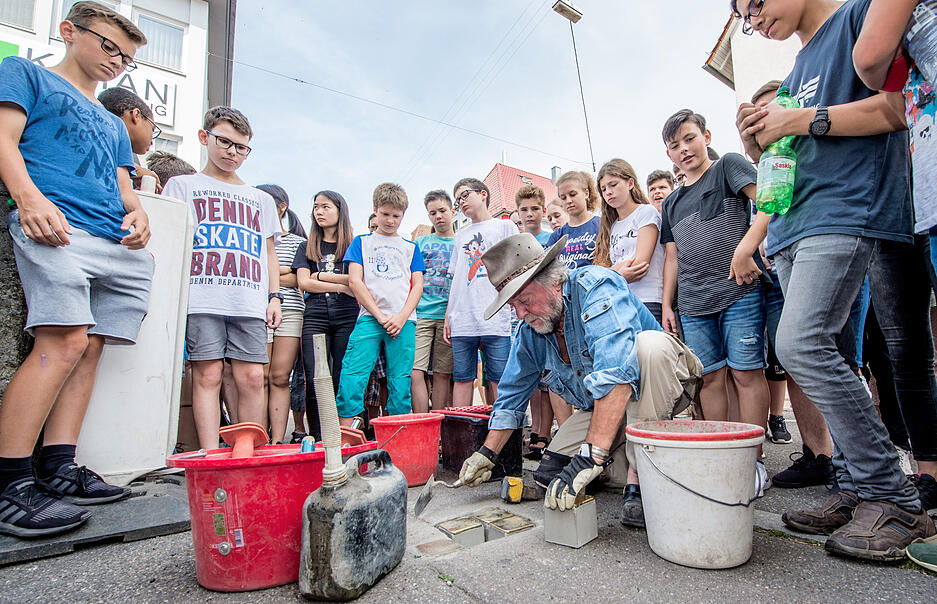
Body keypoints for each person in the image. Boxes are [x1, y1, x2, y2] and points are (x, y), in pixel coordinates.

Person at [732, 0, 935, 560]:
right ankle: (852, 486)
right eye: (744, 16)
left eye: (754, 5)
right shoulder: (797, 67)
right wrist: (763, 145)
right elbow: (797, 150)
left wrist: (796, 120)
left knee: (799, 343)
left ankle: (894, 495)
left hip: (846, 210)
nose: (753, 20)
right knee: (836, 356)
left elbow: (897, 108)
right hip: (796, 220)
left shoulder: (859, 18)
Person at [0, 1, 153, 538]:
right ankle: (9, 479)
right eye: (109, 46)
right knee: (61, 340)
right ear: (69, 31)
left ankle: (58, 464)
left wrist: (136, 215)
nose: (116, 61)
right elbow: (4, 138)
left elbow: (126, 187)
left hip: (113, 239)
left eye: (126, 58)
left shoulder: (114, 122)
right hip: (58, 227)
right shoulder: (25, 75)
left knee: (91, 347)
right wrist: (27, 198)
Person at [457, 234, 702, 528]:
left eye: (523, 300)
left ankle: (639, 481)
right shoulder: (531, 330)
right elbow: (511, 395)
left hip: (662, 387)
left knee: (650, 347)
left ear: (553, 281)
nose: (520, 313)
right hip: (610, 408)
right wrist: (487, 454)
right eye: (513, 306)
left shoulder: (597, 285)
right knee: (550, 473)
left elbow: (615, 374)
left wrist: (591, 455)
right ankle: (628, 462)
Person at [851, 0, 937, 512]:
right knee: (906, 352)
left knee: (908, 353)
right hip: (900, 199)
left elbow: (869, 59)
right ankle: (927, 473)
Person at [659, 109, 770, 491]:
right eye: (674, 146)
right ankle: (722, 454)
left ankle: (753, 459)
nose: (684, 149)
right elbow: (672, 257)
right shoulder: (670, 203)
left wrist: (745, 251)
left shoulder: (729, 167)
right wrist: (667, 305)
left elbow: (767, 201)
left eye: (689, 139)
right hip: (692, 301)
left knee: (746, 373)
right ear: (669, 155)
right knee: (711, 379)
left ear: (705, 136)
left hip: (738, 290)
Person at [162, 106, 282, 450]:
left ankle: (246, 453)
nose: (233, 152)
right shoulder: (182, 186)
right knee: (208, 374)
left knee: (253, 376)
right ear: (205, 137)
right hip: (201, 296)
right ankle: (211, 452)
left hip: (248, 298)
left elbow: (268, 251)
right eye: (225, 142)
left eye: (241, 147)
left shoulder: (261, 199)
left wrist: (275, 296)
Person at [336, 183, 425, 423]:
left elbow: (417, 285)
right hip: (369, 318)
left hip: (403, 322)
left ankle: (397, 434)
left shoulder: (410, 247)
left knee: (400, 379)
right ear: (376, 210)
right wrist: (378, 314)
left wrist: (401, 316)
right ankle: (348, 433)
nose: (390, 220)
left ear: (403, 215)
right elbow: (355, 281)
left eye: (396, 216)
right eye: (385, 214)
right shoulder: (361, 242)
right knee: (353, 374)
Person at [445, 178, 518, 406]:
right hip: (463, 317)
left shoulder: (504, 226)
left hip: (495, 314)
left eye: (465, 195)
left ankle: (503, 434)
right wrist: (449, 315)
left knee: (498, 378)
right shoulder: (461, 236)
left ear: (483, 194)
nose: (461, 202)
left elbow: (519, 266)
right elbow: (456, 279)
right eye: (458, 200)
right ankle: (461, 436)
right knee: (463, 378)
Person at [292, 190, 356, 440]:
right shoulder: (306, 245)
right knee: (316, 374)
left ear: (340, 210)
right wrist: (340, 285)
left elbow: (357, 281)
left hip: (346, 314)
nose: (319, 211)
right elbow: (304, 283)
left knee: (342, 373)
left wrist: (320, 276)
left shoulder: (353, 244)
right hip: (315, 313)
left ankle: (341, 433)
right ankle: (318, 435)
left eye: (325, 206)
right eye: (316, 207)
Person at [254, 184, 304, 445]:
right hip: (255, 309)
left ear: (281, 206)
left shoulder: (299, 242)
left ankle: (276, 440)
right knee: (258, 377)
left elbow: (300, 278)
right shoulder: (251, 237)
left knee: (280, 377)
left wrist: (277, 273)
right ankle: (258, 438)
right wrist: (282, 271)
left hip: (291, 310)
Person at [595, 159, 666, 324]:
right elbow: (619, 266)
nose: (608, 192)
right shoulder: (612, 226)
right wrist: (618, 274)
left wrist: (608, 276)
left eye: (613, 185)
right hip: (621, 300)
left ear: (630, 183)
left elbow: (640, 265)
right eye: (604, 189)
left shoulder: (646, 212)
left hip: (648, 299)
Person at [412, 190, 456, 412]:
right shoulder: (420, 243)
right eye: (432, 213)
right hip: (421, 314)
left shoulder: (461, 242)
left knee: (442, 373)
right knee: (415, 370)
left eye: (442, 211)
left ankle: (438, 427)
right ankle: (422, 421)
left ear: (452, 211)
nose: (438, 216)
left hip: (447, 317)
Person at [97, 87, 161, 191]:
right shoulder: (94, 134)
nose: (152, 142)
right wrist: (134, 170)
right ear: (136, 115)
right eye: (152, 129)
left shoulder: (131, 158)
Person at [547, 171, 599, 268]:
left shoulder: (601, 225)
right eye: (563, 197)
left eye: (573, 194)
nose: (568, 201)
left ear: (586, 193)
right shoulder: (556, 236)